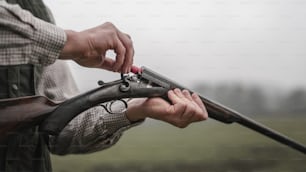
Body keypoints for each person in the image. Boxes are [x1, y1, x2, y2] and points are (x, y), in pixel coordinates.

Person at [0, 0, 208, 171]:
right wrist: (73, 42)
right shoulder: (43, 29)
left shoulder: (38, 11)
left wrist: (136, 108)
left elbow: (60, 131)